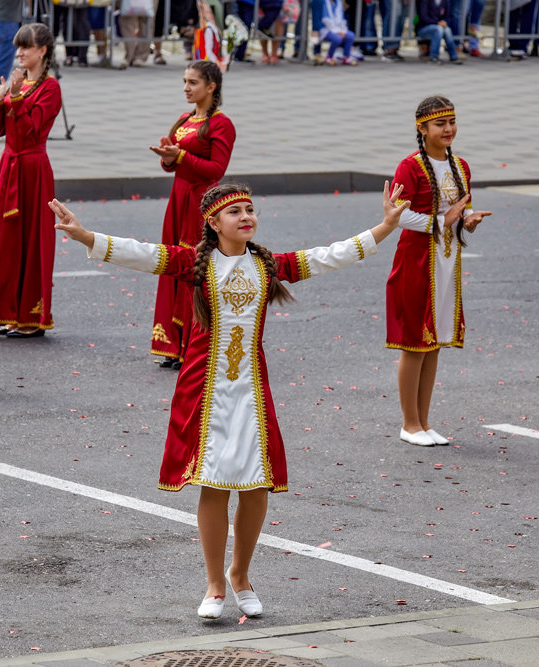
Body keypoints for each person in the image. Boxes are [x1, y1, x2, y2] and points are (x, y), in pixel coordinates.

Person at [49, 180, 408, 619]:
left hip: (252, 388)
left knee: (257, 486)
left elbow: (328, 255)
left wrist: (386, 225)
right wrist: (86, 235)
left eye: (250, 209)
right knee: (214, 483)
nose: (246, 217)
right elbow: (140, 254)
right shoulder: (194, 263)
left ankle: (241, 574)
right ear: (213, 222)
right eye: (235, 212)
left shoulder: (269, 265)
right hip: (205, 386)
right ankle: (215, 583)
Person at [385, 96, 491, 447]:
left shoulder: (461, 166)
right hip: (416, 262)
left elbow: (461, 213)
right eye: (440, 124)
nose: (448, 130)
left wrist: (467, 221)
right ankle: (409, 423)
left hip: (446, 263)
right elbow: (398, 216)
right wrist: (442, 220)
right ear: (422, 128)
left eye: (452, 122)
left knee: (434, 344)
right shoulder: (410, 167)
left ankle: (425, 422)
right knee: (415, 343)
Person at [0, 24, 63, 338]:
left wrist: (12, 97)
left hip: (33, 169)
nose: (20, 53)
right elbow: (0, 129)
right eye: (19, 47)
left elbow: (32, 131)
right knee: (2, 241)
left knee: (31, 241)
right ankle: (8, 311)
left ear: (43, 51)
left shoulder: (49, 88)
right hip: (11, 166)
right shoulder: (20, 83)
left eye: (27, 47)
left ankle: (30, 316)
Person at [147, 62, 236, 368]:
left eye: (193, 82)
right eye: (184, 81)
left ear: (211, 86)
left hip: (201, 203)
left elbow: (216, 170)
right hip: (178, 199)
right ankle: (171, 343)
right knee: (171, 264)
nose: (186, 87)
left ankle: (192, 344)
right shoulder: (184, 119)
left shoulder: (222, 124)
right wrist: (169, 158)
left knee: (194, 269)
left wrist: (181, 156)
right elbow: (174, 164)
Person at [320, 0, 358, 64]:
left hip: (339, 29)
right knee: (337, 38)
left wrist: (342, 31)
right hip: (327, 29)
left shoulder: (338, 3)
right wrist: (337, 32)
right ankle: (329, 56)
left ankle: (346, 56)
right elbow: (325, 20)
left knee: (350, 35)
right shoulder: (324, 3)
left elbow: (342, 20)